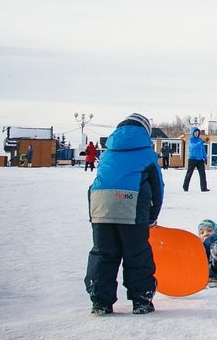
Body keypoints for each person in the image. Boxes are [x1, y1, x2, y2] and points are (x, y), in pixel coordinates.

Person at [84, 113, 164, 315]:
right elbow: (157, 188)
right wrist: (152, 217)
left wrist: (95, 215)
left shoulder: (108, 153)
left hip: (101, 206)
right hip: (132, 205)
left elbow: (100, 181)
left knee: (103, 253)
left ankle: (100, 301)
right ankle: (141, 300)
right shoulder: (147, 154)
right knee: (136, 252)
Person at [183, 127, 209, 192]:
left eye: (197, 132)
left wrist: (205, 158)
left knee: (202, 174)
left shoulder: (200, 140)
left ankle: (204, 188)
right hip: (192, 159)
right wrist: (202, 142)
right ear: (192, 133)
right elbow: (193, 146)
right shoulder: (191, 140)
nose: (196, 134)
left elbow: (202, 150)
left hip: (200, 159)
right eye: (195, 132)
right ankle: (185, 186)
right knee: (189, 173)